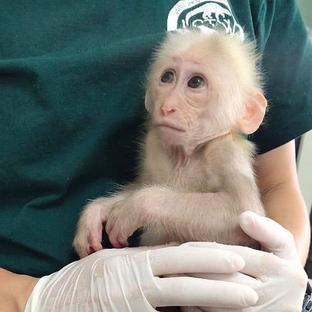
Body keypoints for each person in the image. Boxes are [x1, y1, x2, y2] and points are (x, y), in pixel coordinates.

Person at [0, 0, 311, 311]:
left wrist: (279, 284)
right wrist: (32, 299)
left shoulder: (225, 151)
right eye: (166, 78)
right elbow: (147, 190)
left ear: (248, 111)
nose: (169, 103)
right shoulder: (157, 143)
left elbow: (269, 194)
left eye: (196, 83)